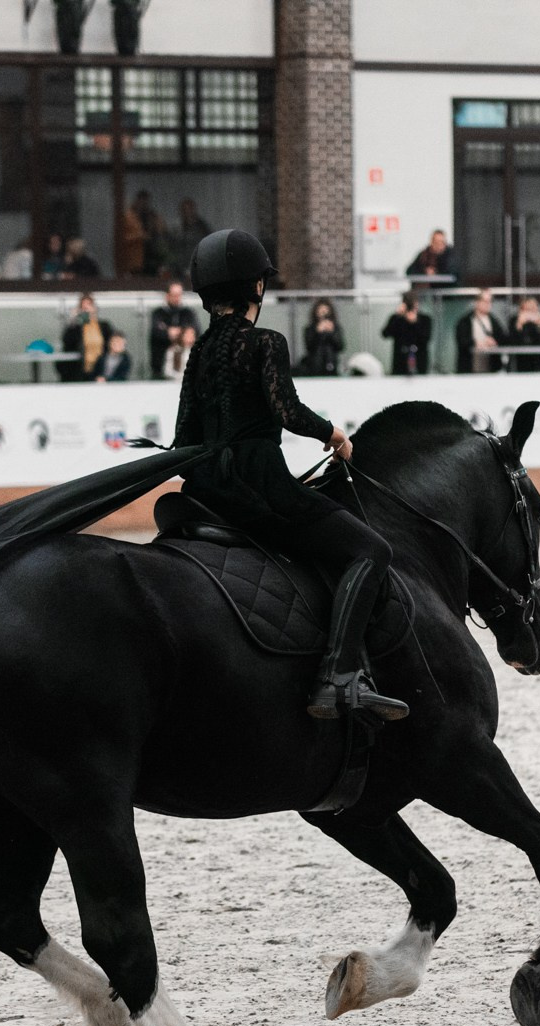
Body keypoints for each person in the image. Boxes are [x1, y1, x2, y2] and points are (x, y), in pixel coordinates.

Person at [174, 228, 409, 723]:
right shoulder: (266, 342)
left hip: (208, 489)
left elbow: (183, 437)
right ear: (255, 289)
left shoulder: (197, 353)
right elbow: (287, 412)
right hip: (262, 488)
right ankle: (338, 676)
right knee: (372, 550)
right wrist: (335, 436)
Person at [58, 293, 116, 383]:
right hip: (81, 369)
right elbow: (67, 341)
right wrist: (73, 320)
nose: (87, 310)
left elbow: (113, 344)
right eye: (83, 307)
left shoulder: (104, 326)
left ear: (94, 307)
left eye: (89, 305)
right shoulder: (76, 328)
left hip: (100, 369)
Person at [148, 282, 198, 378]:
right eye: (174, 295)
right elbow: (156, 332)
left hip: (186, 366)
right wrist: (180, 332)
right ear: (167, 295)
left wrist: (170, 331)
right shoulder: (158, 313)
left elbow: (194, 331)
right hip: (160, 364)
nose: (177, 298)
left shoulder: (188, 313)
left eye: (179, 295)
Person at [455, 289, 506, 373]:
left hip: (491, 369)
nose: (488, 304)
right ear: (477, 302)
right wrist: (476, 343)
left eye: (490, 301)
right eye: (485, 301)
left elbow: (504, 339)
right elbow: (461, 341)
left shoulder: (494, 321)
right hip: (469, 369)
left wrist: (494, 342)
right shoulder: (465, 321)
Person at [382, 292, 433, 375]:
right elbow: (385, 334)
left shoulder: (425, 319)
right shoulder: (397, 319)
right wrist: (397, 316)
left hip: (419, 359)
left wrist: (415, 322)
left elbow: (426, 338)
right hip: (400, 360)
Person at [298, 299, 344, 376]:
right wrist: (317, 332)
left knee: (328, 349)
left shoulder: (335, 328)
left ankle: (330, 367)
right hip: (314, 363)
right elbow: (309, 346)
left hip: (331, 360)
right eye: (321, 311)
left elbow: (340, 346)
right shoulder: (310, 328)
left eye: (326, 311)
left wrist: (331, 333)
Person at [508, 296, 540, 372]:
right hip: (519, 360)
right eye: (528, 309)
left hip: (538, 360)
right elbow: (511, 340)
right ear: (521, 310)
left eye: (533, 309)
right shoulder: (513, 320)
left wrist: (539, 327)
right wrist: (519, 325)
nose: (531, 312)